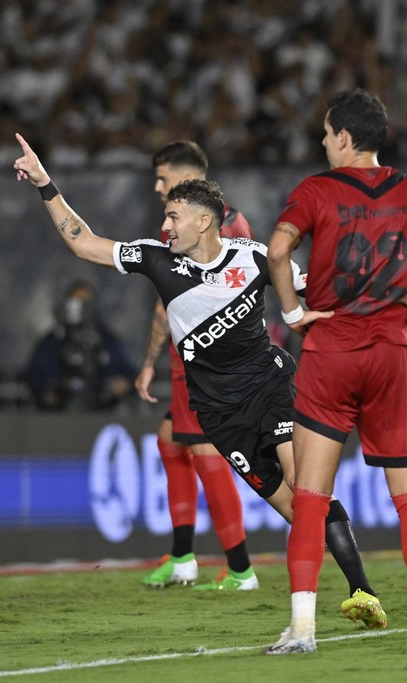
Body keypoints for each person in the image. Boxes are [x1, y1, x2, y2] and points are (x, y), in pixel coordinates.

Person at [14, 133, 389, 628]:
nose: (165, 225)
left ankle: (362, 592)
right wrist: (45, 184)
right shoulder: (157, 259)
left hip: (269, 386)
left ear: (203, 222)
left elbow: (322, 292)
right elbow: (84, 242)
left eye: (173, 217)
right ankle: (328, 590)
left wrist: (389, 317)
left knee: (306, 488)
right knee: (295, 510)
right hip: (218, 413)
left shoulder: (254, 257)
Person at [266, 88, 407, 653]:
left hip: (331, 352)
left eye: (326, 133)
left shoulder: (316, 190)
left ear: (344, 137)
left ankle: (302, 630)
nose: (324, 142)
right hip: (392, 353)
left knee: (311, 495)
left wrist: (292, 313)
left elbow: (277, 251)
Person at [137, 141, 257, 591]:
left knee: (206, 452)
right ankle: (183, 556)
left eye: (163, 178)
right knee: (171, 442)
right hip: (189, 358)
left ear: (186, 178)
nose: (157, 187)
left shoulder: (210, 227)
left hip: (202, 359)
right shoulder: (204, 223)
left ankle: (241, 569)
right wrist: (152, 362)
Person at [25, 279, 136, 411]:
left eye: (84, 303)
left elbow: (128, 375)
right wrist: (47, 392)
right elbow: (35, 377)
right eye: (75, 302)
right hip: (58, 414)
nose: (79, 309)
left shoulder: (108, 341)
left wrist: (121, 384)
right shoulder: (52, 342)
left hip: (100, 412)